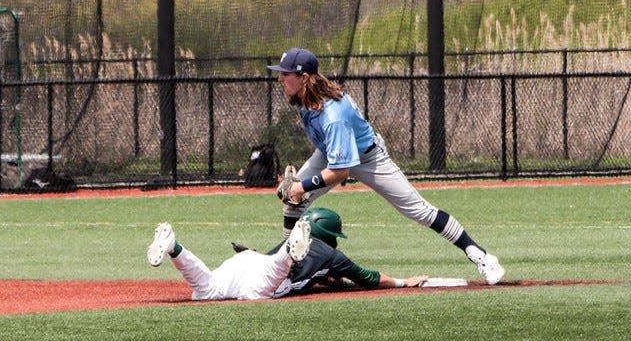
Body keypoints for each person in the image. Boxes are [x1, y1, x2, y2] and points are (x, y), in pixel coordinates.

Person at [267, 47, 505, 285]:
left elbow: (340, 171)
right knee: (292, 203)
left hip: (369, 158)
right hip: (330, 153)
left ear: (304, 77)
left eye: (286, 73)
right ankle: (285, 267)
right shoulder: (302, 98)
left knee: (418, 210)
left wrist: (303, 185)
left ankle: (481, 255)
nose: (280, 78)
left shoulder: (333, 116)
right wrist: (298, 188)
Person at [146, 207, 428, 301]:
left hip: (247, 260)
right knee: (264, 289)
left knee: (205, 288)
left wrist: (331, 281)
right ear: (328, 234)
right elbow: (368, 278)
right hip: (270, 274)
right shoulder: (332, 254)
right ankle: (291, 253)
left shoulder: (325, 258)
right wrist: (403, 282)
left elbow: (323, 277)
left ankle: (175, 248)